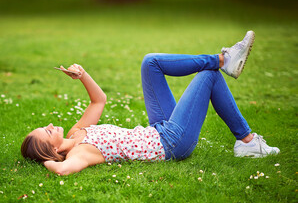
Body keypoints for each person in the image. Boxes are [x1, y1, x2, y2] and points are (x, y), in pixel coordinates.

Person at [21, 31, 280, 176]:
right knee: (208, 76)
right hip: (171, 143)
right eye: (45, 132)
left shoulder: (76, 132)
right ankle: (246, 140)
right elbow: (64, 170)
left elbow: (99, 100)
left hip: (159, 129)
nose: (50, 124)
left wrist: (82, 75)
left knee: (150, 62)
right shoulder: (79, 153)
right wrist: (49, 161)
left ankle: (224, 61)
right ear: (50, 150)